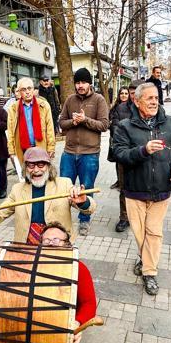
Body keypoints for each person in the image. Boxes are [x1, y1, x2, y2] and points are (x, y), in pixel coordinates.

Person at [111, 82, 171, 295]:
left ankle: (149, 272)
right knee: (140, 233)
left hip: (162, 189)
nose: (154, 102)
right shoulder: (125, 126)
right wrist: (142, 151)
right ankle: (145, 259)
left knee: (154, 232)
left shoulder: (170, 123)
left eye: (156, 98)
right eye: (149, 98)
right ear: (137, 100)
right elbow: (120, 154)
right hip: (135, 191)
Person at [0, 147, 96, 244]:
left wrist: (83, 202)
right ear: (25, 168)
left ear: (48, 166)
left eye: (41, 165)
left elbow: (90, 208)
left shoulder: (64, 184)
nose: (36, 170)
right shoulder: (17, 189)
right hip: (27, 245)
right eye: (31, 165)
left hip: (57, 244)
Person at [59, 67, 110, 236]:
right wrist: (73, 122)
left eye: (83, 82)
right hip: (69, 152)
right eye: (78, 82)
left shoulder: (99, 100)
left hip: (90, 154)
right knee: (63, 188)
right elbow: (61, 123)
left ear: (90, 83)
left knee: (86, 188)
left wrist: (85, 120)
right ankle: (60, 220)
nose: (80, 85)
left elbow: (104, 125)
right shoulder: (70, 100)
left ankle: (84, 220)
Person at [7, 78, 56, 165]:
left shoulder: (44, 105)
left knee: (42, 174)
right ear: (19, 91)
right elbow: (10, 131)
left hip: (41, 147)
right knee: (26, 176)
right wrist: (11, 151)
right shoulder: (13, 108)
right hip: (23, 149)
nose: (27, 92)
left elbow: (50, 128)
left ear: (33, 89)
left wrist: (51, 147)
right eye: (24, 89)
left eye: (29, 88)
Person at [108, 86, 133, 233]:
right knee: (123, 188)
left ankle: (137, 215)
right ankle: (124, 217)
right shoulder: (120, 108)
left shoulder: (151, 109)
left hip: (144, 154)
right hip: (124, 153)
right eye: (131, 93)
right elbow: (115, 129)